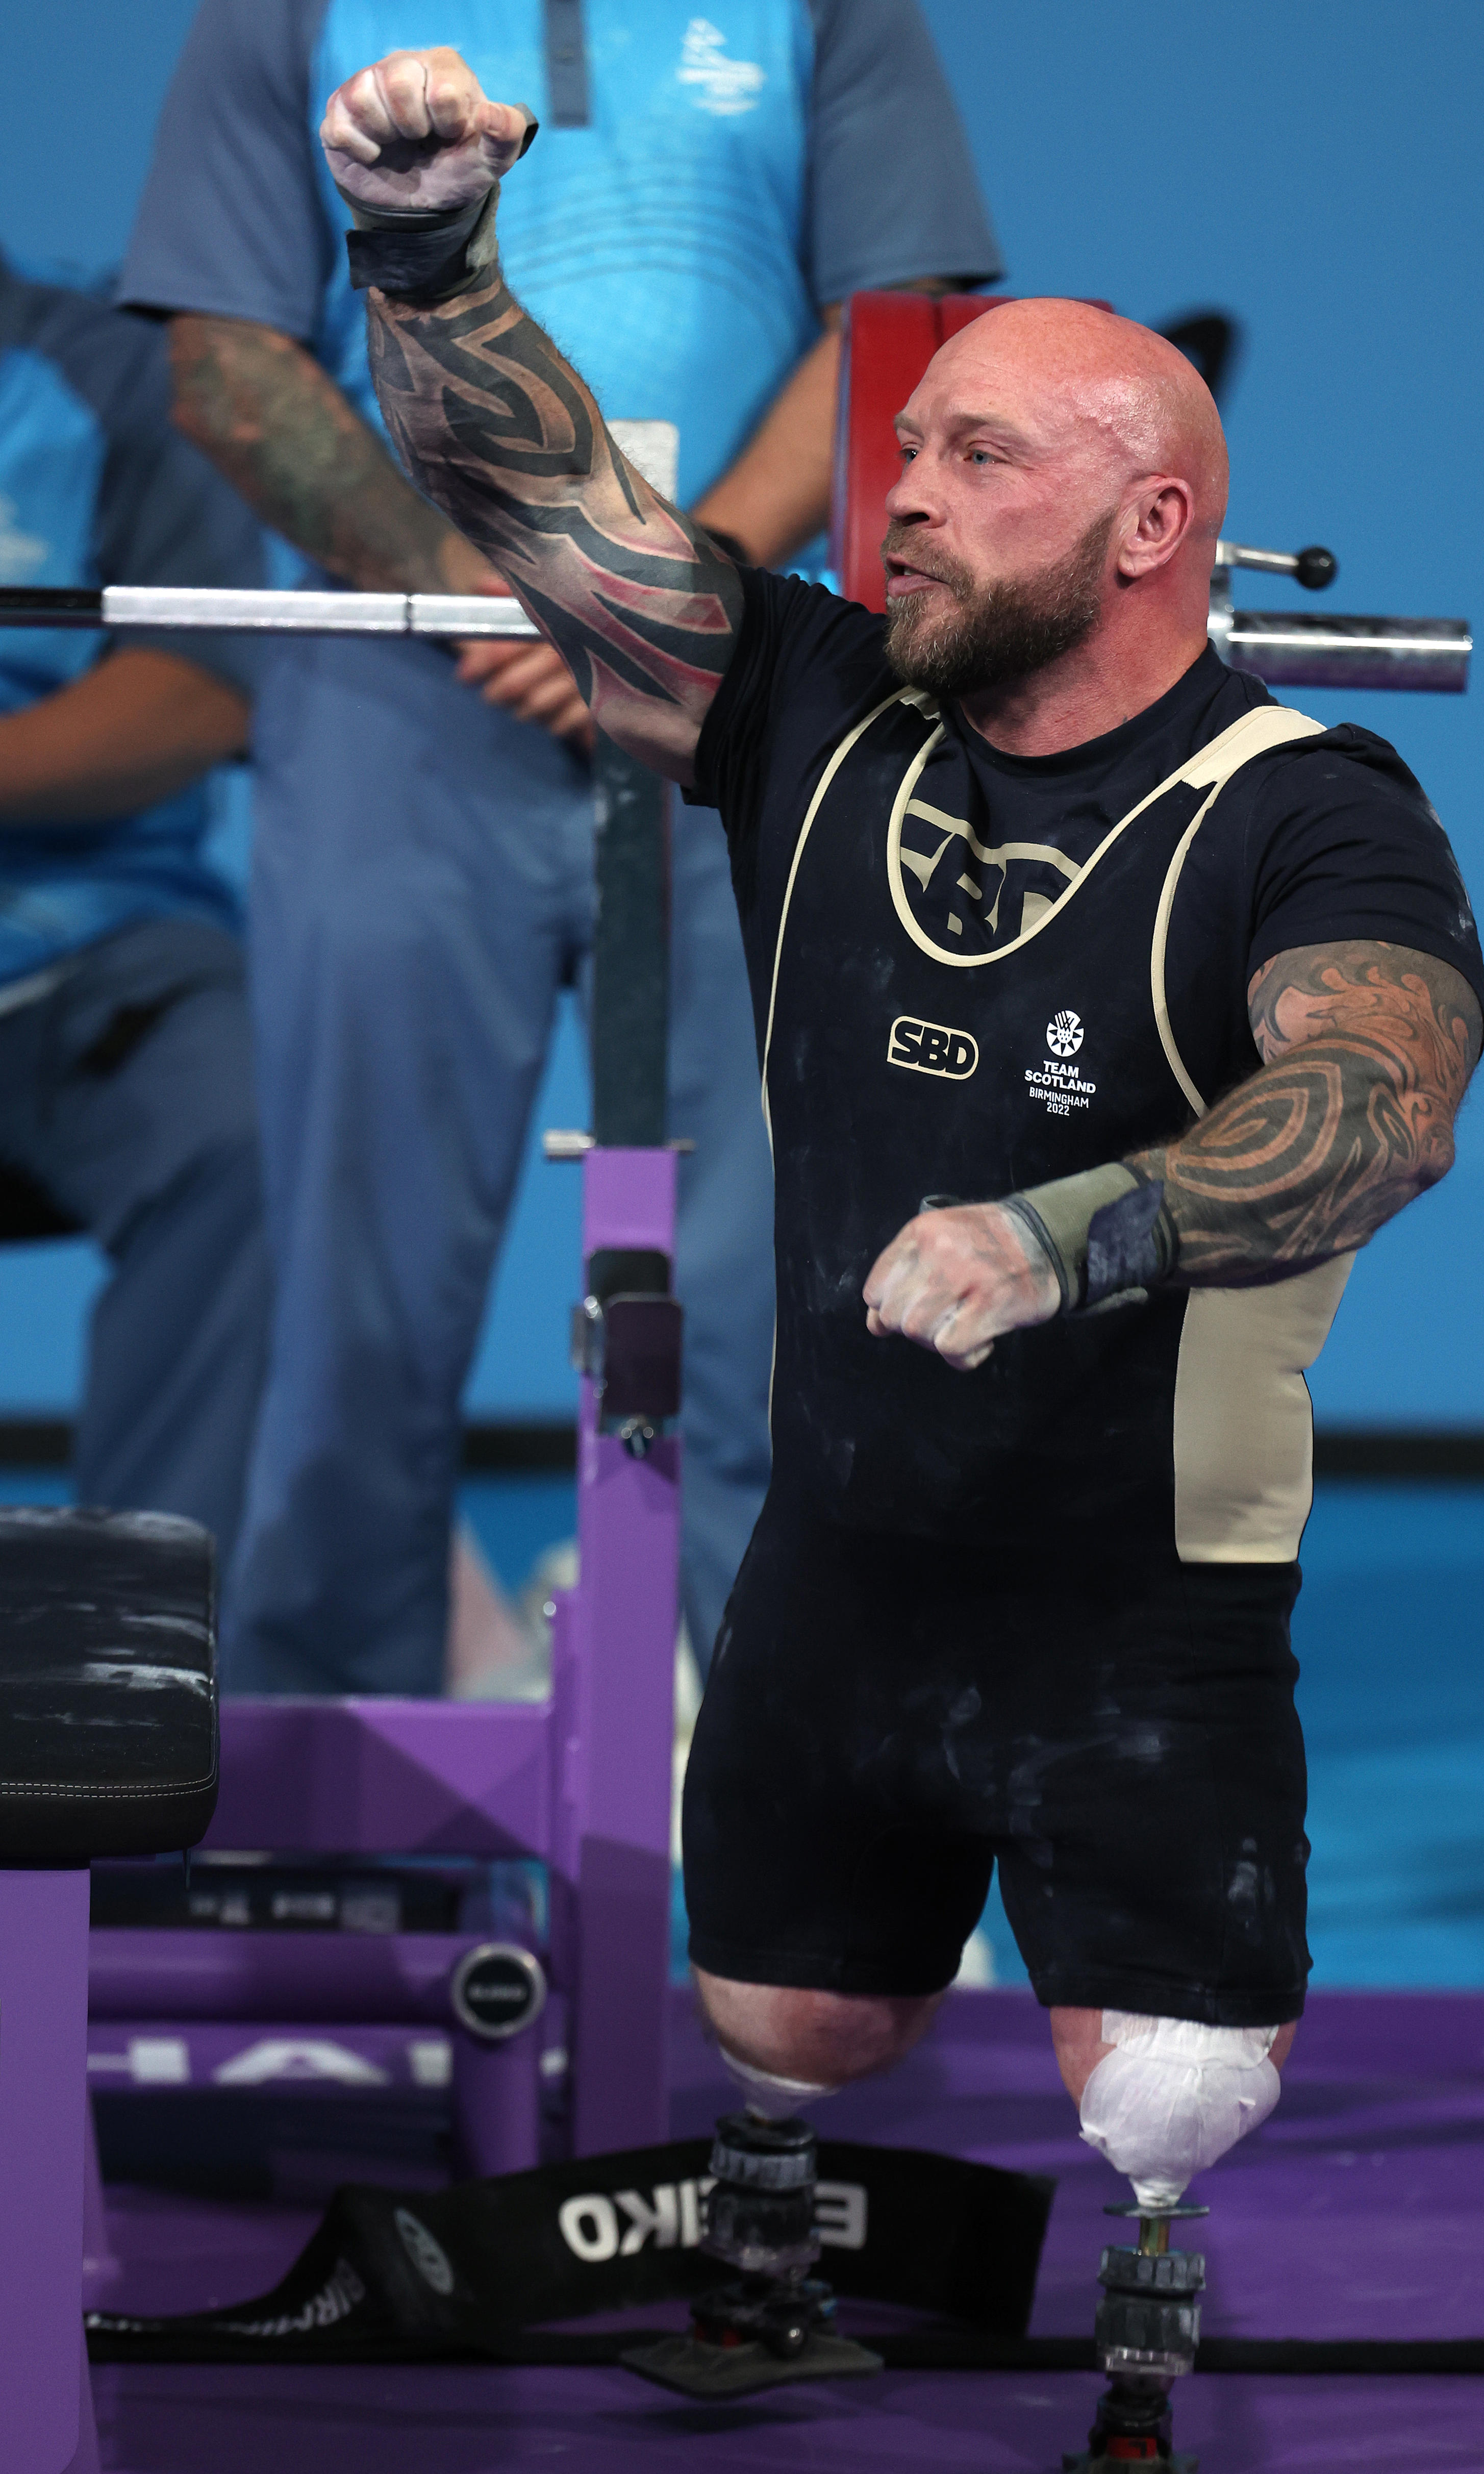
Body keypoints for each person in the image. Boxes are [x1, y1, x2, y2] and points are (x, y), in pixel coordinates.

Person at [311, 54, 1484, 2193]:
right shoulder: (812, 700)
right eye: (908, 447)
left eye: (977, 457)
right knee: (788, 2026)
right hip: (838, 1572)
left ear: (1151, 528)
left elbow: (1374, 1104)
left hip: (1137, 1603)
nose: (900, 500)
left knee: (1162, 2095)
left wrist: (1063, 1234)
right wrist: (423, 255)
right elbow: (548, 505)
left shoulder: (1304, 811)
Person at [119, 2, 1001, 1694]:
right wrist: (475, 589)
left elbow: (898, 324)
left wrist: (672, 595)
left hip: (743, 702)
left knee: (771, 1299)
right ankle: (344, 1779)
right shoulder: (281, 15)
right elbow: (224, 363)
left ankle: (789, 1780)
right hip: (399, 709)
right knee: (351, 1314)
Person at [0, 254, 269, 1565]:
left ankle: (128, 1623)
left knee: (256, 1129)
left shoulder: (109, 378)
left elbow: (201, 687)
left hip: (89, 950)